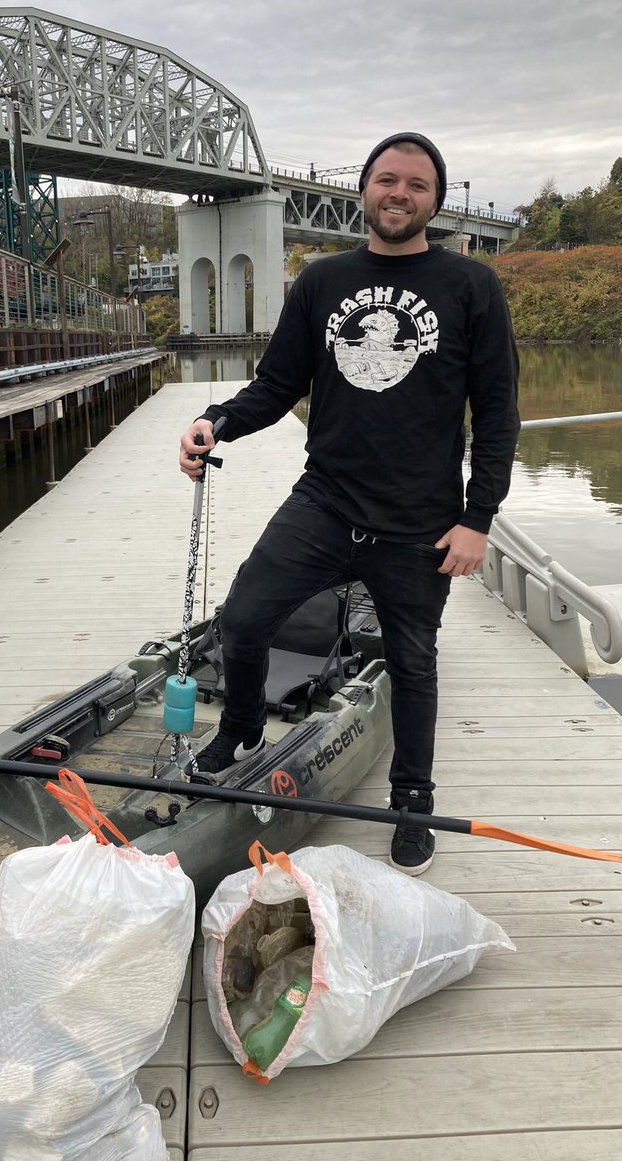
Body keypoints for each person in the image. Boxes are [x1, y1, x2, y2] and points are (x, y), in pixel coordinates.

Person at [178, 131, 519, 876]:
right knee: (243, 618)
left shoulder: (471, 287)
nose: (400, 193)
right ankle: (241, 730)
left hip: (423, 520)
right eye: (387, 179)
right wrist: (218, 421)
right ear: (364, 189)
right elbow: (276, 385)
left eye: (417, 185)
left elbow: (497, 415)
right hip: (326, 502)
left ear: (435, 199)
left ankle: (411, 799)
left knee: (413, 661)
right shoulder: (322, 281)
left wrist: (477, 517)